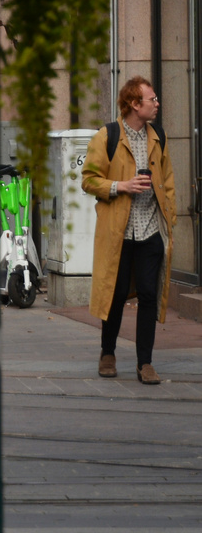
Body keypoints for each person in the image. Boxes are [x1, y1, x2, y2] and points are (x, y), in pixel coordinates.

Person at [81, 76, 176, 385]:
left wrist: (169, 218)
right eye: (152, 100)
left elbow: (169, 180)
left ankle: (145, 362)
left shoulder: (158, 135)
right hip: (118, 232)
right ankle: (107, 352)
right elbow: (88, 179)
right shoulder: (107, 136)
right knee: (116, 293)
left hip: (150, 230)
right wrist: (120, 186)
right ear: (135, 105)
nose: (157, 104)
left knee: (149, 294)